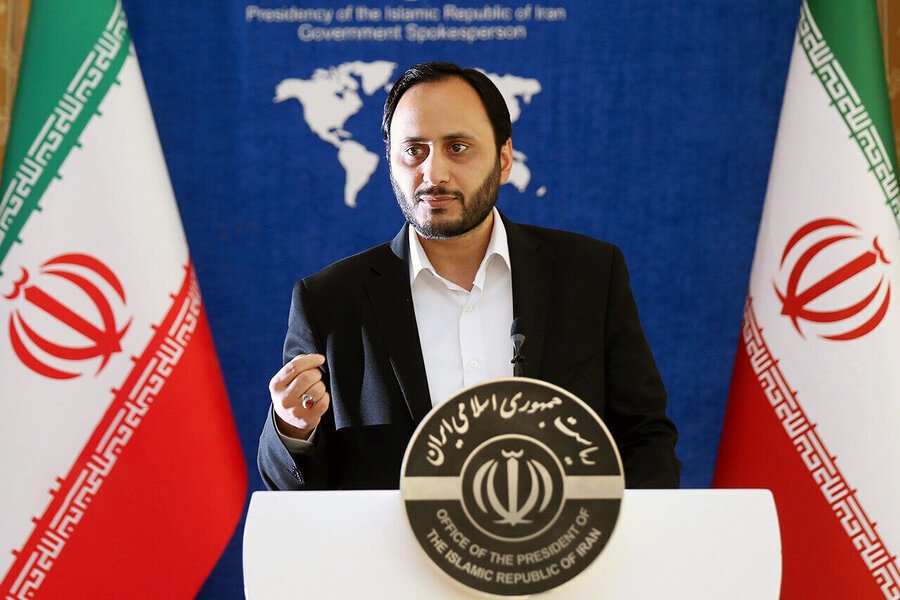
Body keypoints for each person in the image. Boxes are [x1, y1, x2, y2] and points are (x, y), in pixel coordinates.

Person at [258, 62, 680, 490]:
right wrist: (293, 429)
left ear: (504, 159)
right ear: (390, 163)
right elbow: (289, 488)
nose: (434, 174)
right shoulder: (328, 301)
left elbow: (645, 440)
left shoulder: (589, 275)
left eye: (457, 147)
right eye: (413, 150)